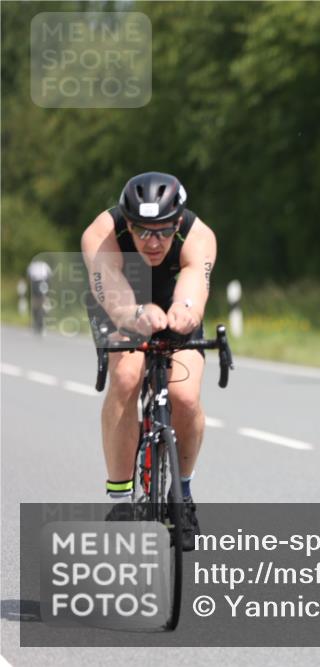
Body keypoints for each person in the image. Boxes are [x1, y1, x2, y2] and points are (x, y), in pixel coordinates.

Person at [81, 172, 217, 549]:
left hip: (174, 303)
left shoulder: (199, 234)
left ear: (178, 222)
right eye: (141, 231)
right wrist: (135, 314)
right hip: (122, 302)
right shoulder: (101, 233)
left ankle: (182, 495)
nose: (153, 242)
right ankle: (121, 500)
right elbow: (112, 290)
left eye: (163, 231)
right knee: (127, 377)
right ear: (128, 223)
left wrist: (185, 311)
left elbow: (194, 284)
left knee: (184, 396)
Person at [26, 258, 53, 335]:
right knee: (43, 300)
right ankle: (45, 311)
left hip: (36, 284)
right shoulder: (44, 265)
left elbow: (29, 276)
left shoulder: (32, 265)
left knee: (37, 302)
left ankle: (38, 320)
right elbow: (49, 275)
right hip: (43, 283)